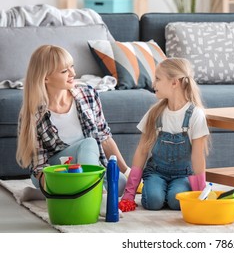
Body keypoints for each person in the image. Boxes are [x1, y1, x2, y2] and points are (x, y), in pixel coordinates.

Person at [16, 45, 130, 196]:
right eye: (64, 71)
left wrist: (128, 172)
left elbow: (104, 138)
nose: (73, 73)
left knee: (120, 183)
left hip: (89, 165)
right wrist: (48, 184)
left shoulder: (88, 95)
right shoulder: (33, 114)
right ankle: (94, 196)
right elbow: (39, 166)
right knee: (89, 142)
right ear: (45, 77)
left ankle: (51, 195)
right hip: (55, 171)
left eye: (72, 67)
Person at [119, 57, 210, 212]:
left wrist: (201, 193)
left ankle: (170, 194)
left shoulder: (195, 115)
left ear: (174, 83)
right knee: (154, 201)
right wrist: (129, 193)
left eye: (158, 79)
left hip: (182, 175)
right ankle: (159, 192)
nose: (153, 84)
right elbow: (142, 151)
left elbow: (197, 156)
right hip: (156, 172)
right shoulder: (155, 113)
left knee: (176, 202)